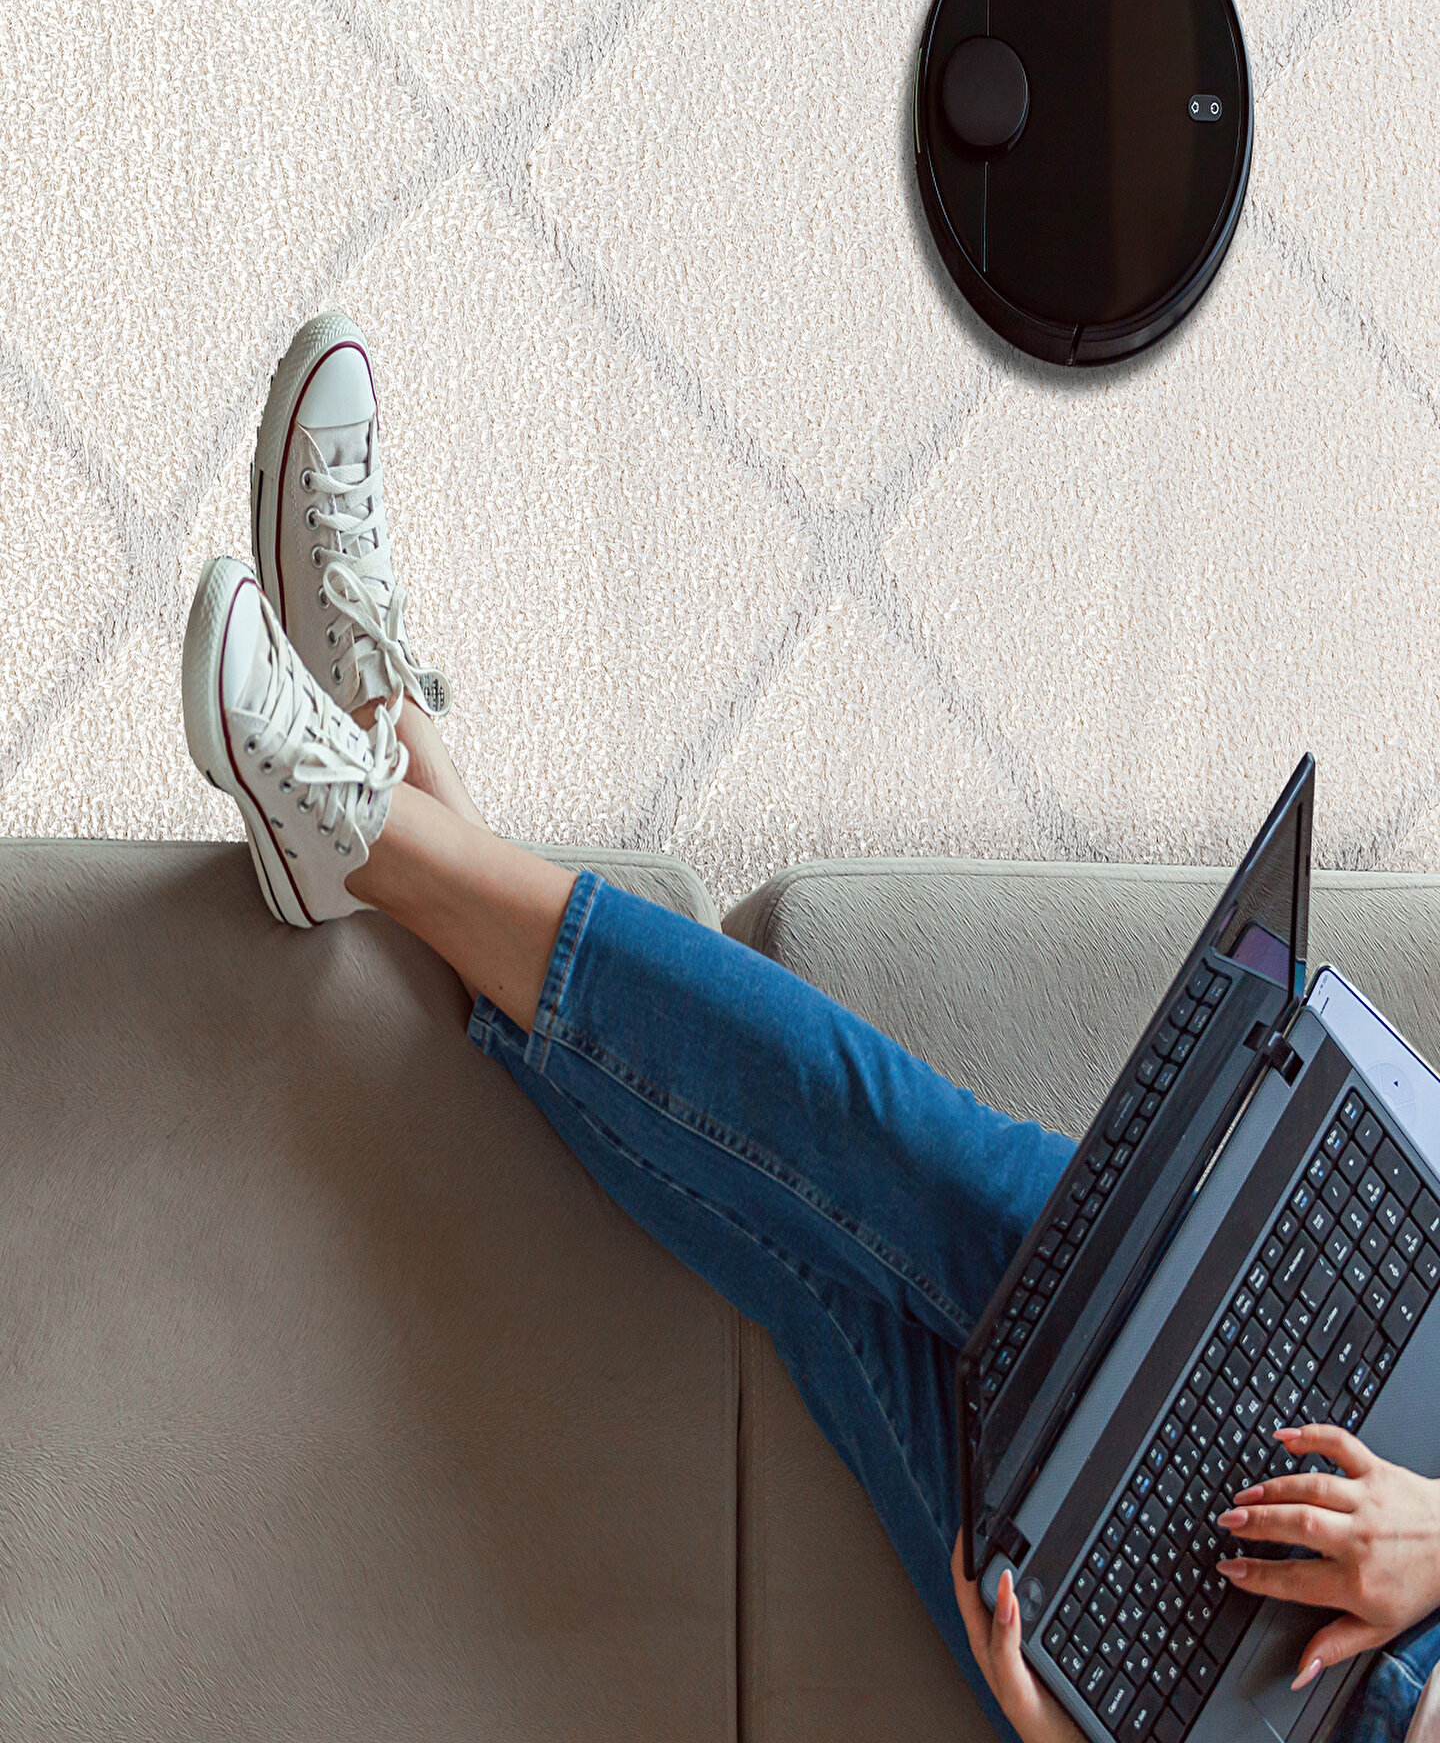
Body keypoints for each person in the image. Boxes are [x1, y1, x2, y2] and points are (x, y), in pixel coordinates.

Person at [182, 311, 1440, 1743]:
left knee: (818, 1245)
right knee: (869, 1139)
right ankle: (377, 794)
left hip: (1219, 1710)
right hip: (1392, 1437)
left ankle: (377, 787)